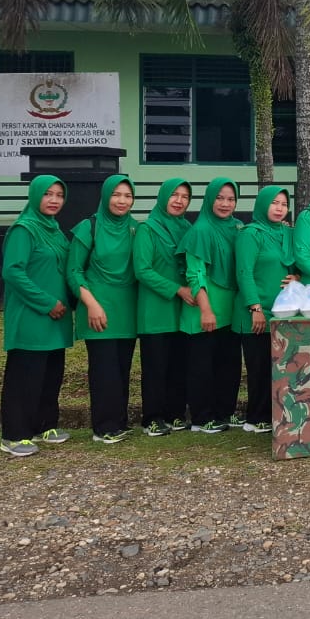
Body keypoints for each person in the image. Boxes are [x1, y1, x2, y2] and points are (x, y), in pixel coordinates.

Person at [0, 176, 74, 457]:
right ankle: (14, 435)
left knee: (50, 374)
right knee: (24, 376)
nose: (54, 200)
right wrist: (46, 302)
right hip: (33, 316)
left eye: (59, 195)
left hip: (57, 319)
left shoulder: (55, 231)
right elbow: (13, 272)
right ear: (34, 196)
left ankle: (45, 425)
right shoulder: (24, 229)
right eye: (47, 194)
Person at [67, 175, 138, 445]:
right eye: (116, 195)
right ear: (106, 196)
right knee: (104, 369)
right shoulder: (89, 227)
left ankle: (118, 422)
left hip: (127, 308)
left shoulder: (135, 228)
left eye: (127, 196)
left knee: (122, 367)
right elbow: (73, 270)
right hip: (98, 308)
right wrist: (91, 303)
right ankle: (103, 426)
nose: (122, 201)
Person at [179, 178, 242, 434]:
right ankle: (201, 418)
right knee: (202, 367)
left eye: (230, 199)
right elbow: (195, 274)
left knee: (228, 366)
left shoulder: (237, 227)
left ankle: (224, 412)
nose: (225, 204)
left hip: (230, 311)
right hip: (205, 310)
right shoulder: (200, 230)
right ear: (209, 199)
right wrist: (206, 309)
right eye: (220, 198)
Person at [134, 178, 197, 436]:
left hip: (182, 310)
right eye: (174, 195)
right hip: (156, 309)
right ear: (163, 197)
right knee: (156, 366)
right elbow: (142, 270)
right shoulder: (147, 229)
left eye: (184, 197)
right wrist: (177, 289)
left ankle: (175, 413)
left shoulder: (188, 228)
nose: (179, 201)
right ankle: (153, 418)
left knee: (178, 365)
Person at [234, 186, 297, 434]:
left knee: (279, 368)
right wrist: (255, 307)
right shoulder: (250, 234)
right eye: (274, 203)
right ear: (262, 205)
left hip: (282, 313)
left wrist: (297, 276)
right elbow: (244, 272)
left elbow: (294, 262)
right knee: (258, 367)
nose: (279, 208)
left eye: (283, 204)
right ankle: (256, 417)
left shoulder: (287, 233)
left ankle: (276, 415)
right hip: (256, 313)